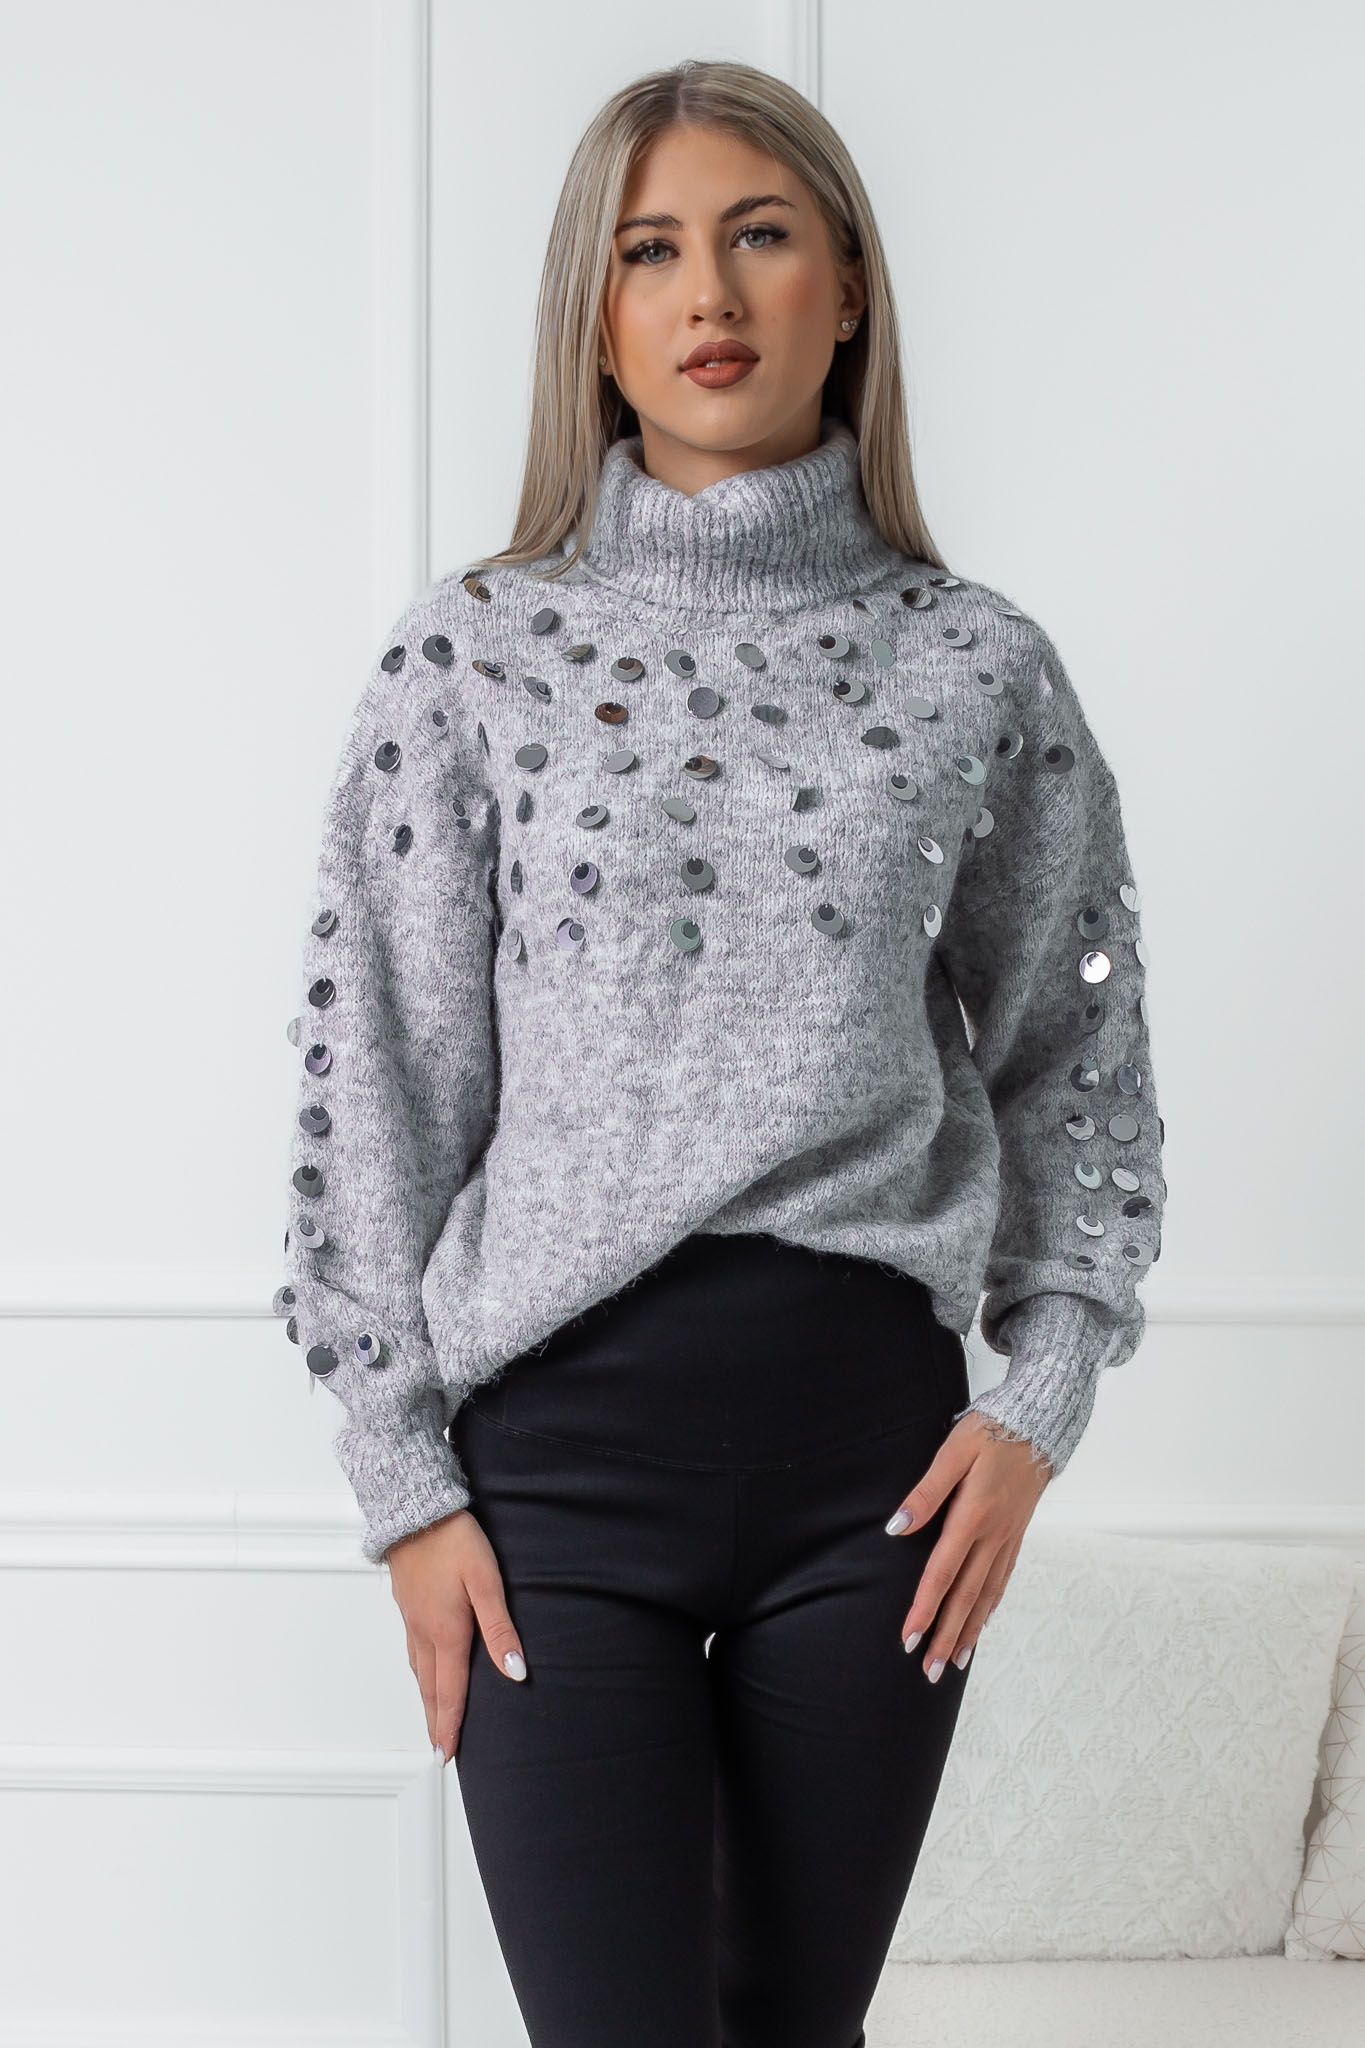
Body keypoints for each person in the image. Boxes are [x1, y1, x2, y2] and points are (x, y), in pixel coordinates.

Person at [274, 57, 1165, 2048]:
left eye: (758, 236)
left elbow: (1074, 1063)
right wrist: (403, 1484)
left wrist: (1035, 1402)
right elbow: (375, 1096)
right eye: (648, 250)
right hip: (552, 1479)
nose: (708, 293)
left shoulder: (975, 663)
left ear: (844, 286)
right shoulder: (471, 655)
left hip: (874, 1479)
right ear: (590, 317)